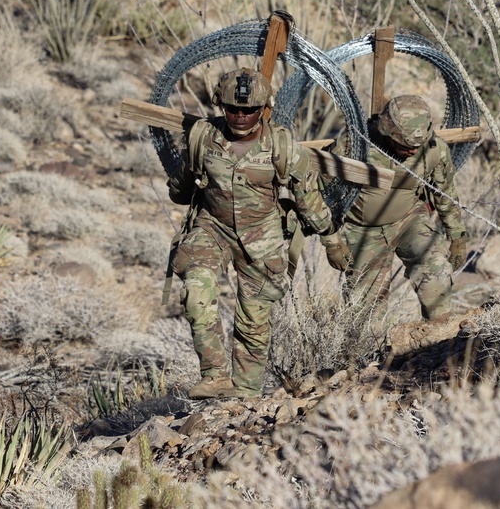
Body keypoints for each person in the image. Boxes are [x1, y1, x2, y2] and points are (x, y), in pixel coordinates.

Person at [166, 67, 336, 399]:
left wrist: (331, 238)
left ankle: (245, 395)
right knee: (196, 295)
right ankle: (214, 375)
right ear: (220, 105)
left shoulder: (282, 145)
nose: (240, 116)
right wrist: (179, 189)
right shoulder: (202, 137)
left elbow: (307, 198)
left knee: (254, 322)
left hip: (262, 237)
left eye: (249, 110)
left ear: (263, 110)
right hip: (211, 228)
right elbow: (183, 183)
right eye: (232, 108)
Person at [323, 94, 466, 322]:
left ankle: (439, 342)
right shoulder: (353, 146)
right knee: (364, 313)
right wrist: (332, 242)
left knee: (436, 270)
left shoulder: (433, 149)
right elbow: (324, 195)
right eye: (404, 145)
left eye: (416, 146)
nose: (412, 151)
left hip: (409, 221)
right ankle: (370, 356)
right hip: (362, 229)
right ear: (388, 132)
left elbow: (444, 192)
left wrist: (458, 237)